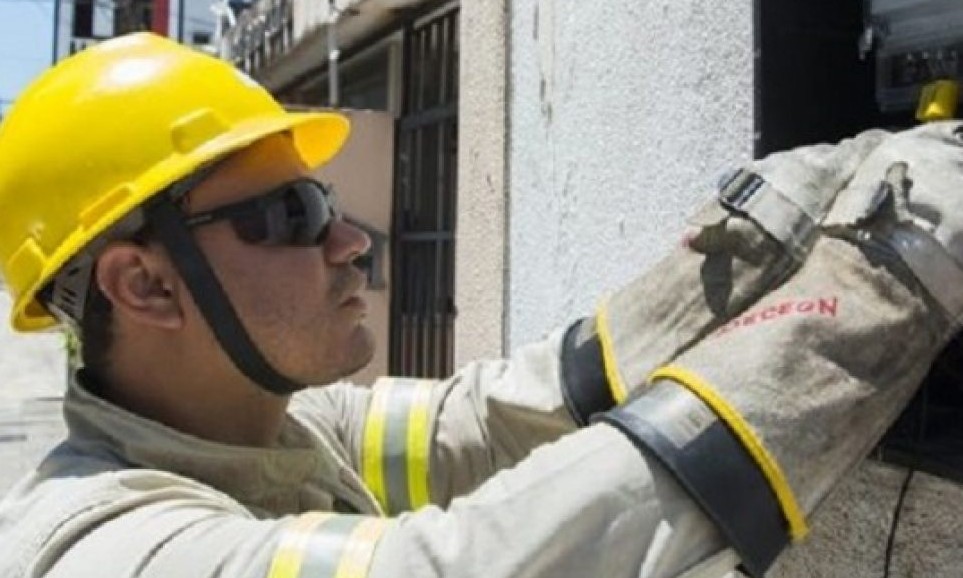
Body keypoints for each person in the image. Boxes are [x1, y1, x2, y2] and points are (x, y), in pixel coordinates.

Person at [0, 32, 960, 578]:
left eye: (325, 201)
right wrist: (888, 272)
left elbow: (497, 416)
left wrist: (745, 249)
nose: (351, 240)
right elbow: (466, 568)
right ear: (148, 284)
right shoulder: (107, 549)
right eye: (290, 214)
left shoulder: (272, 432)